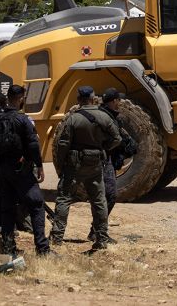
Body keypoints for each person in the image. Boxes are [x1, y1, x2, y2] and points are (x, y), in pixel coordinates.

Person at [50, 86, 121, 251]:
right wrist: (103, 148)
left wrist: (61, 165)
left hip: (74, 165)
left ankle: (57, 237)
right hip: (95, 163)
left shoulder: (73, 119)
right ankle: (101, 237)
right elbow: (117, 138)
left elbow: (63, 144)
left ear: (78, 99)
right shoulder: (104, 116)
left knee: (64, 198)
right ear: (93, 98)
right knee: (98, 199)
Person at [0, 84, 50, 256]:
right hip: (21, 169)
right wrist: (39, 165)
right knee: (36, 204)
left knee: (7, 207)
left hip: (3, 168)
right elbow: (33, 145)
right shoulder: (23, 120)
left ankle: (8, 246)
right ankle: (42, 248)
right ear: (19, 99)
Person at [92, 88, 138, 239]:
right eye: (119, 100)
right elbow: (114, 140)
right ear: (113, 101)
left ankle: (97, 232)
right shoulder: (106, 118)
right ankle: (98, 233)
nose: (120, 103)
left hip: (104, 159)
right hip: (103, 161)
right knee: (109, 195)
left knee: (104, 196)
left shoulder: (106, 115)